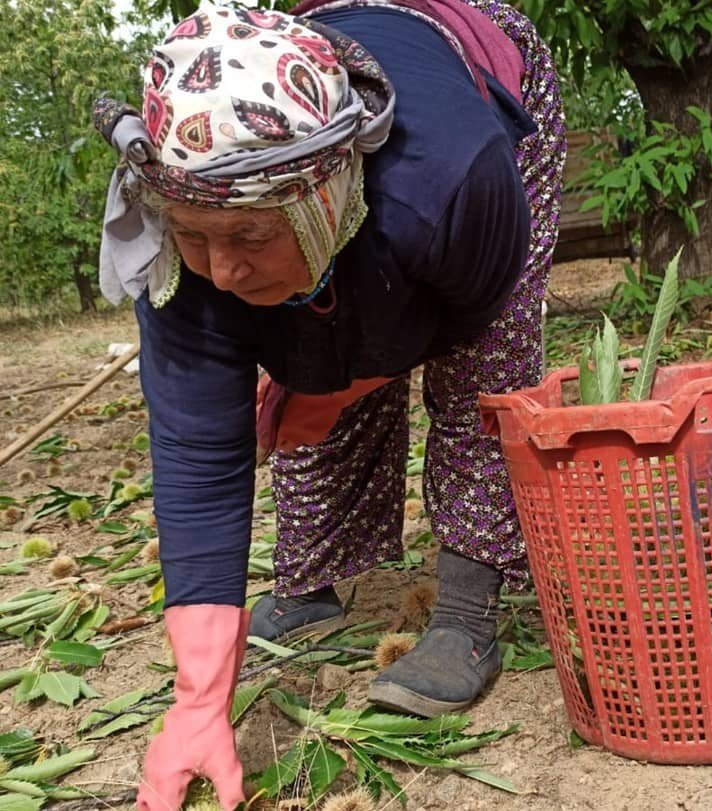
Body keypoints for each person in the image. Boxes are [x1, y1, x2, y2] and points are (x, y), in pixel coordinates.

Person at [94, 1, 564, 807]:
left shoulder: (452, 178)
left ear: (321, 196)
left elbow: (479, 349)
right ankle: (314, 579)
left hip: (480, 80)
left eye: (245, 236)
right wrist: (200, 703)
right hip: (328, 145)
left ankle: (464, 611)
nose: (221, 268)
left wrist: (354, 370)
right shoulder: (185, 256)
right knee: (304, 369)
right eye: (194, 233)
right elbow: (199, 452)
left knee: (469, 369)